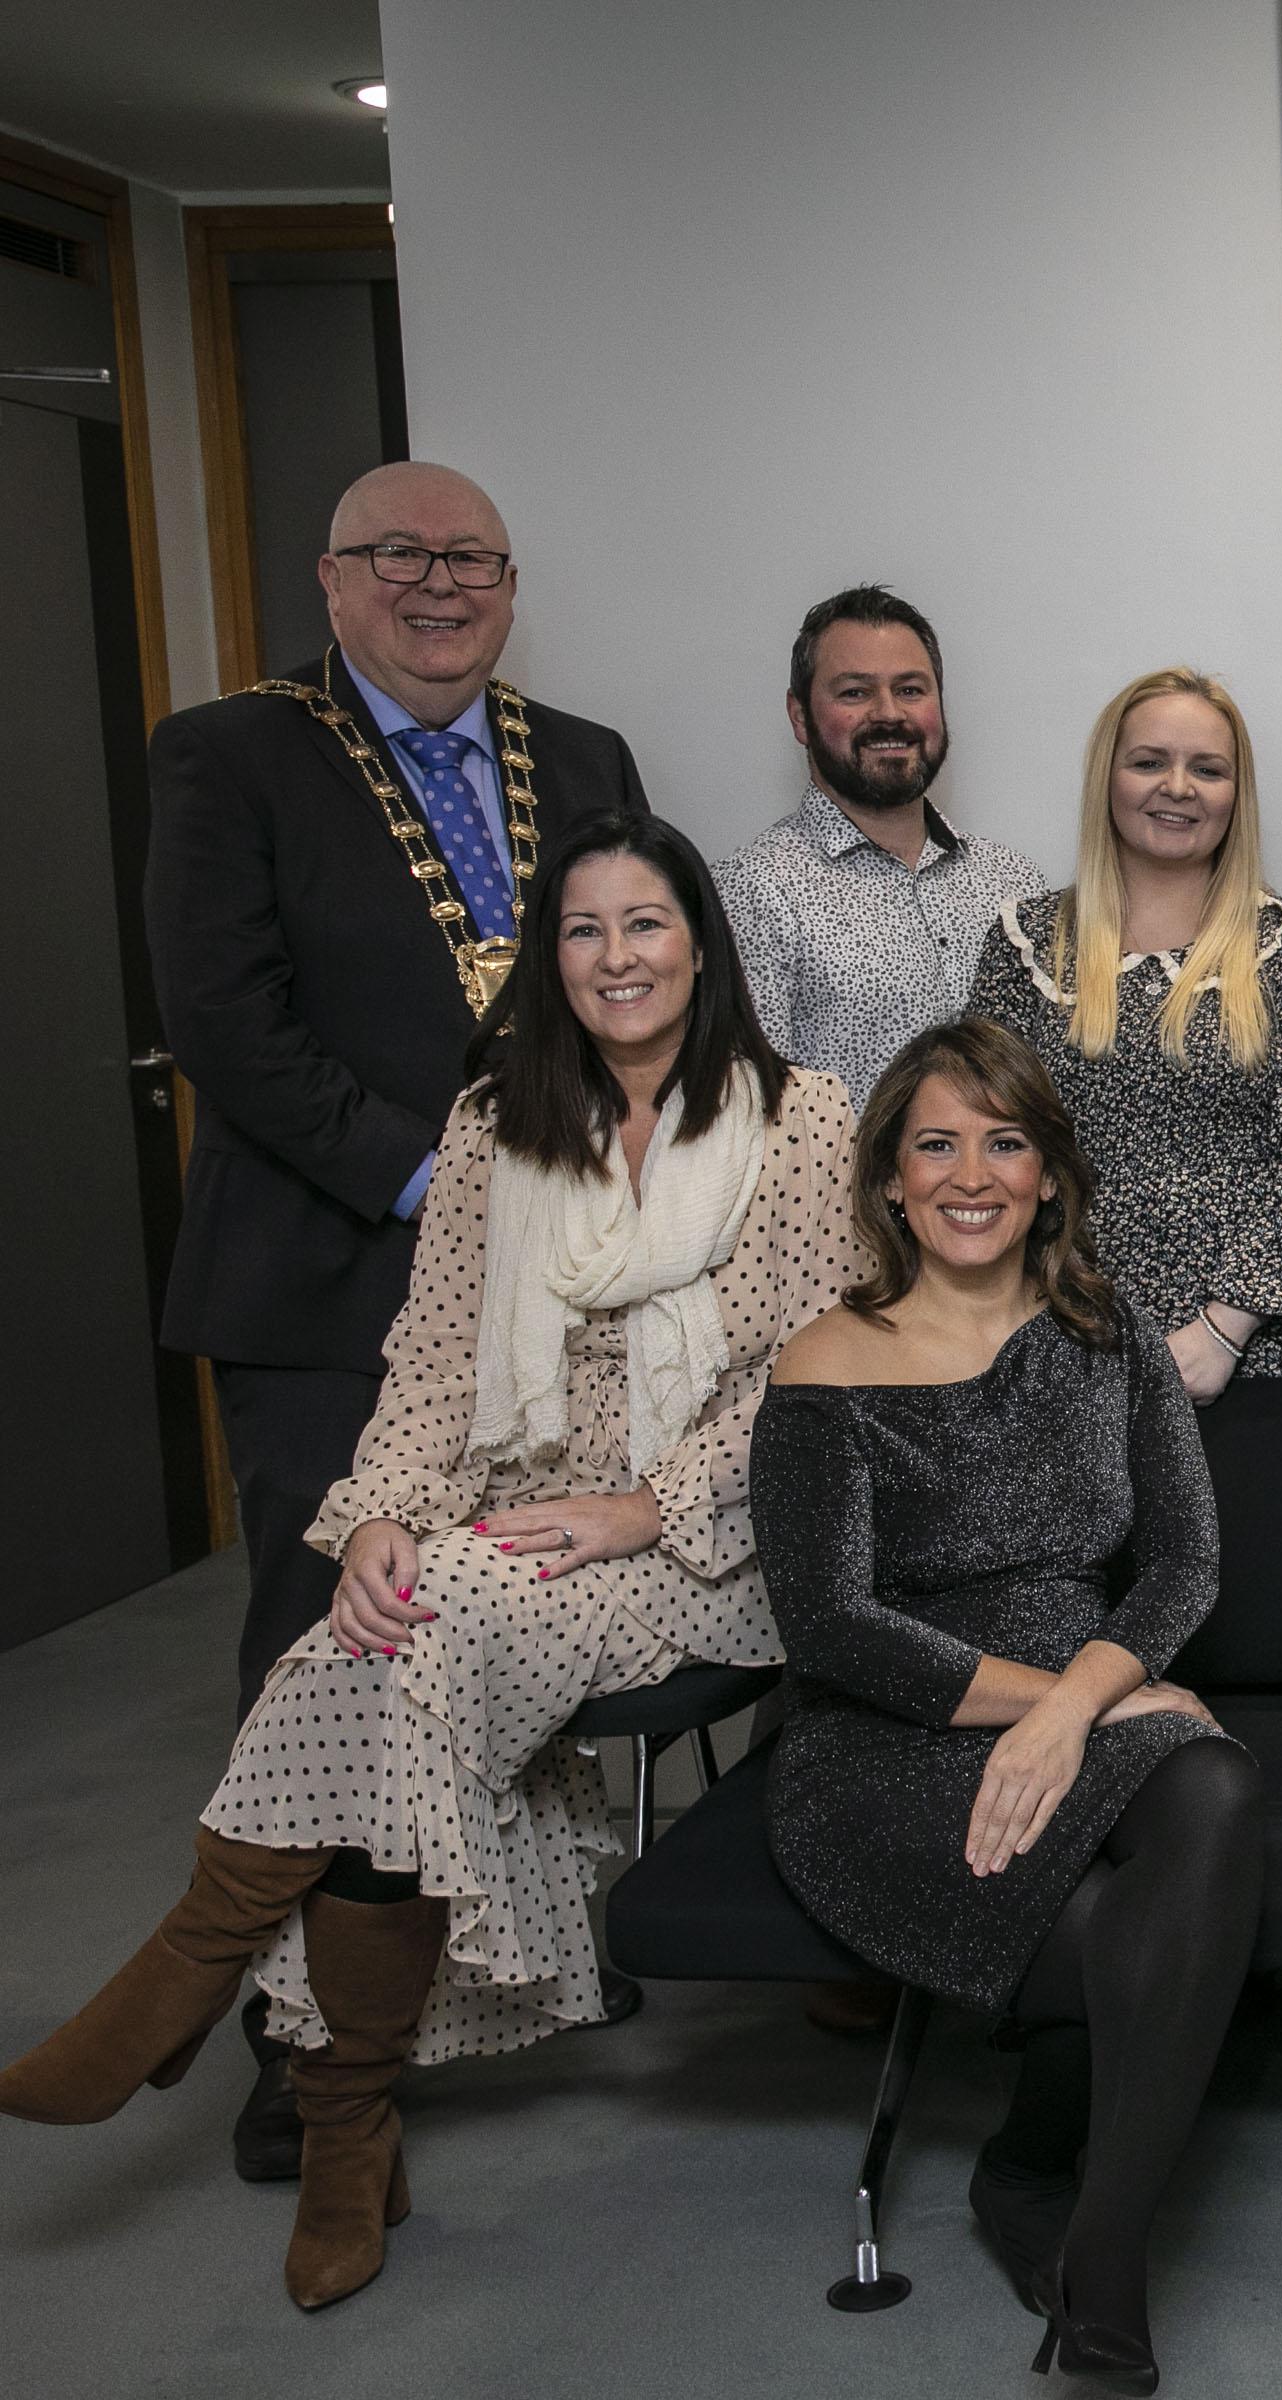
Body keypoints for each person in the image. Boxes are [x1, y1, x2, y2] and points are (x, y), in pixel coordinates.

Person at [4, 811, 861, 2308]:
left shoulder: (804, 1120)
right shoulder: (494, 1126)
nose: (616, 958)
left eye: (646, 924)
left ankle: (211, 1998)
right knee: (385, 1622)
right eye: (583, 931)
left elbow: (808, 1374)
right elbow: (431, 1365)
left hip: (706, 1541)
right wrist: (384, 1514)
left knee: (404, 1632)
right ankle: (345, 2122)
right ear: (551, 957)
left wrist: (643, 1508)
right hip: (506, 1520)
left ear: (701, 941)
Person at [143, 459, 637, 2176]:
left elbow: (622, 989)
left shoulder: (581, 763)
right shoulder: (230, 754)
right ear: (333, 576)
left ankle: (457, 1983)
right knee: (323, 1648)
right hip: (324, 1288)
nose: (441, 586)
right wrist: (439, 1184)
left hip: (534, 1307)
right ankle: (299, 2047)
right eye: (401, 556)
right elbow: (224, 1016)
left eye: (474, 559)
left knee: (475, 1648)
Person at [751, 1016, 1265, 2389]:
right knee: (1118, 1917)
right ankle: (1032, 2179)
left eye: (1005, 1141)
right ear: (890, 1182)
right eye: (935, 1144)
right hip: (886, 1742)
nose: (970, 1173)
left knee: (1216, 1787)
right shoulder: (824, 1364)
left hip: (1082, 1693)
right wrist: (1072, 1708)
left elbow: (1183, 1565)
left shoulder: (1110, 1340)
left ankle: (1098, 2253)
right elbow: (833, 1629)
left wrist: (1081, 1706)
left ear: (1048, 1175)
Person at [967, 667, 1282, 1410]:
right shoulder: (1024, 948)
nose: (1178, 787)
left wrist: (1221, 1333)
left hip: (1264, 1369)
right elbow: (989, 1144)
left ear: (1234, 796)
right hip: (1064, 1358)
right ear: (1107, 779)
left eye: (1207, 769)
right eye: (1149, 761)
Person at [717, 584, 1045, 1103]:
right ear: (800, 716)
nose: (889, 714)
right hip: (844, 1187)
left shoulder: (1014, 884)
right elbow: (747, 1115)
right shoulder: (753, 891)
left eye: (911, 689)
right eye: (855, 692)